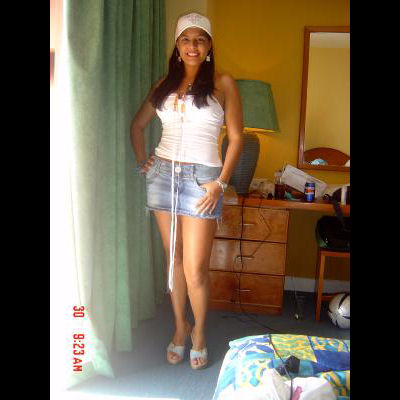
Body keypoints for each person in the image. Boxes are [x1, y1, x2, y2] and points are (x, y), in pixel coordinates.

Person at [130, 12, 242, 370]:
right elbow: (137, 126)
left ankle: (200, 334)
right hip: (163, 175)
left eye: (200, 39)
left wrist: (221, 182)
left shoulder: (223, 83)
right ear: (177, 46)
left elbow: (236, 138)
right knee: (173, 261)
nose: (192, 46)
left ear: (209, 46)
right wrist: (143, 162)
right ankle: (180, 327)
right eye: (185, 39)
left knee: (195, 268)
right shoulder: (164, 84)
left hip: (203, 181)